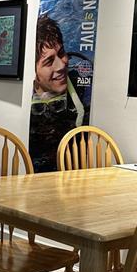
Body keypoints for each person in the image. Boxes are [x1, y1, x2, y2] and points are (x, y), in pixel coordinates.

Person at [29, 15, 86, 172]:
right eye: (49, 61)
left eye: (61, 53)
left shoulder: (82, 90)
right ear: (31, 70)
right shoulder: (22, 106)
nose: (61, 65)